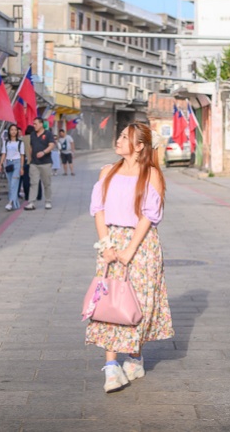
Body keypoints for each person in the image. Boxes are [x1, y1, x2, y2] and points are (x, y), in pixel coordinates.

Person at [86, 122, 173, 393]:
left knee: (139, 303)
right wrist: (107, 246)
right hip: (111, 242)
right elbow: (98, 210)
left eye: (126, 137)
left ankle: (134, 356)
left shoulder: (152, 175)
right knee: (110, 302)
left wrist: (129, 250)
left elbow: (148, 216)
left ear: (139, 147)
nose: (119, 139)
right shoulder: (107, 172)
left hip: (142, 245)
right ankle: (111, 368)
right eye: (121, 134)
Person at [27, 116, 56, 210]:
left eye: (35, 124)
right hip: (34, 163)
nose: (34, 125)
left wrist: (43, 152)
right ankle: (32, 202)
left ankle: (48, 201)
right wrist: (30, 158)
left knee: (46, 183)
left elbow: (51, 145)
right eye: (33, 123)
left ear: (41, 124)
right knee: (33, 183)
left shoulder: (48, 134)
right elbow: (31, 147)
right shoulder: (32, 134)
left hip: (45, 163)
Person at [0, 124, 24, 211]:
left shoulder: (20, 143)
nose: (13, 131)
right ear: (9, 132)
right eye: (12, 130)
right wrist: (0, 164)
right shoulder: (6, 142)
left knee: (14, 183)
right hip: (8, 163)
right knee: (11, 185)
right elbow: (3, 154)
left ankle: (10, 202)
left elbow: (22, 156)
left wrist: (21, 167)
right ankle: (16, 203)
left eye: (15, 130)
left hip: (17, 163)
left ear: (17, 132)